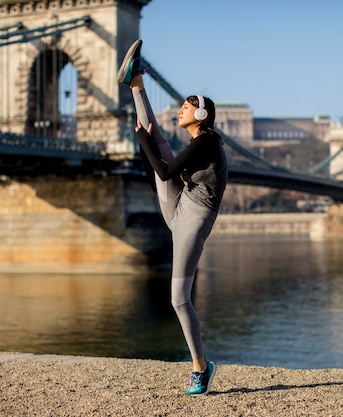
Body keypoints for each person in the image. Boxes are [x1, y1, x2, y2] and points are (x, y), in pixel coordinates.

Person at [117, 39, 227, 396]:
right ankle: (136, 83)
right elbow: (166, 166)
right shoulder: (197, 142)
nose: (180, 110)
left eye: (185, 107)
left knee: (178, 298)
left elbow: (164, 173)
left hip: (194, 218)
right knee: (158, 139)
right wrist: (146, 141)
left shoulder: (207, 141)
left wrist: (139, 140)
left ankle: (201, 367)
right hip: (180, 202)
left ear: (201, 115)